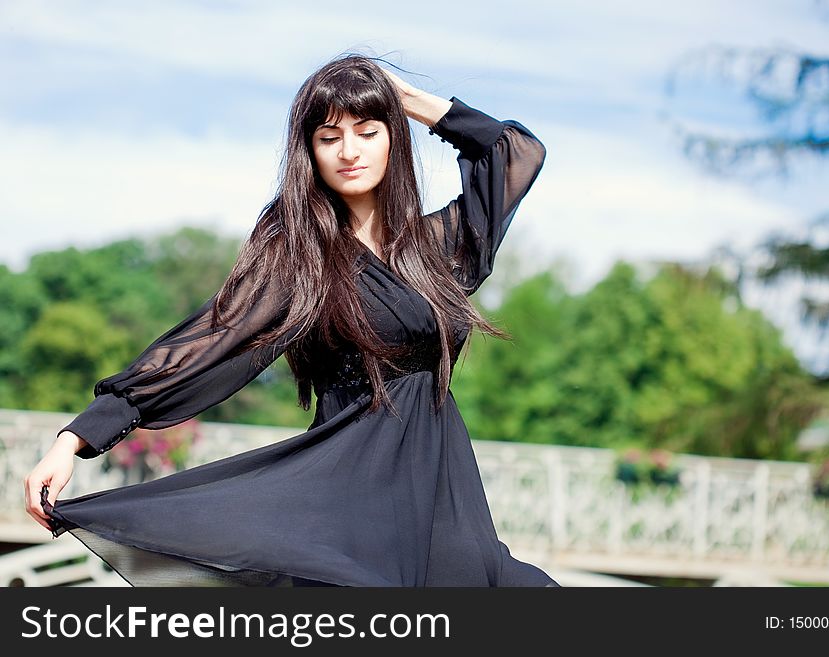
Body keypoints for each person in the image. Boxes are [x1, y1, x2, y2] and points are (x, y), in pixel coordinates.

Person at [23, 53, 559, 587]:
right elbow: (212, 337)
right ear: (310, 152)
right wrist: (77, 438)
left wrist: (406, 99)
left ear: (392, 138)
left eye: (368, 132)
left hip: (448, 506)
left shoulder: (434, 248)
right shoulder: (300, 258)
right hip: (349, 504)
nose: (349, 151)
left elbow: (516, 152)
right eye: (329, 137)